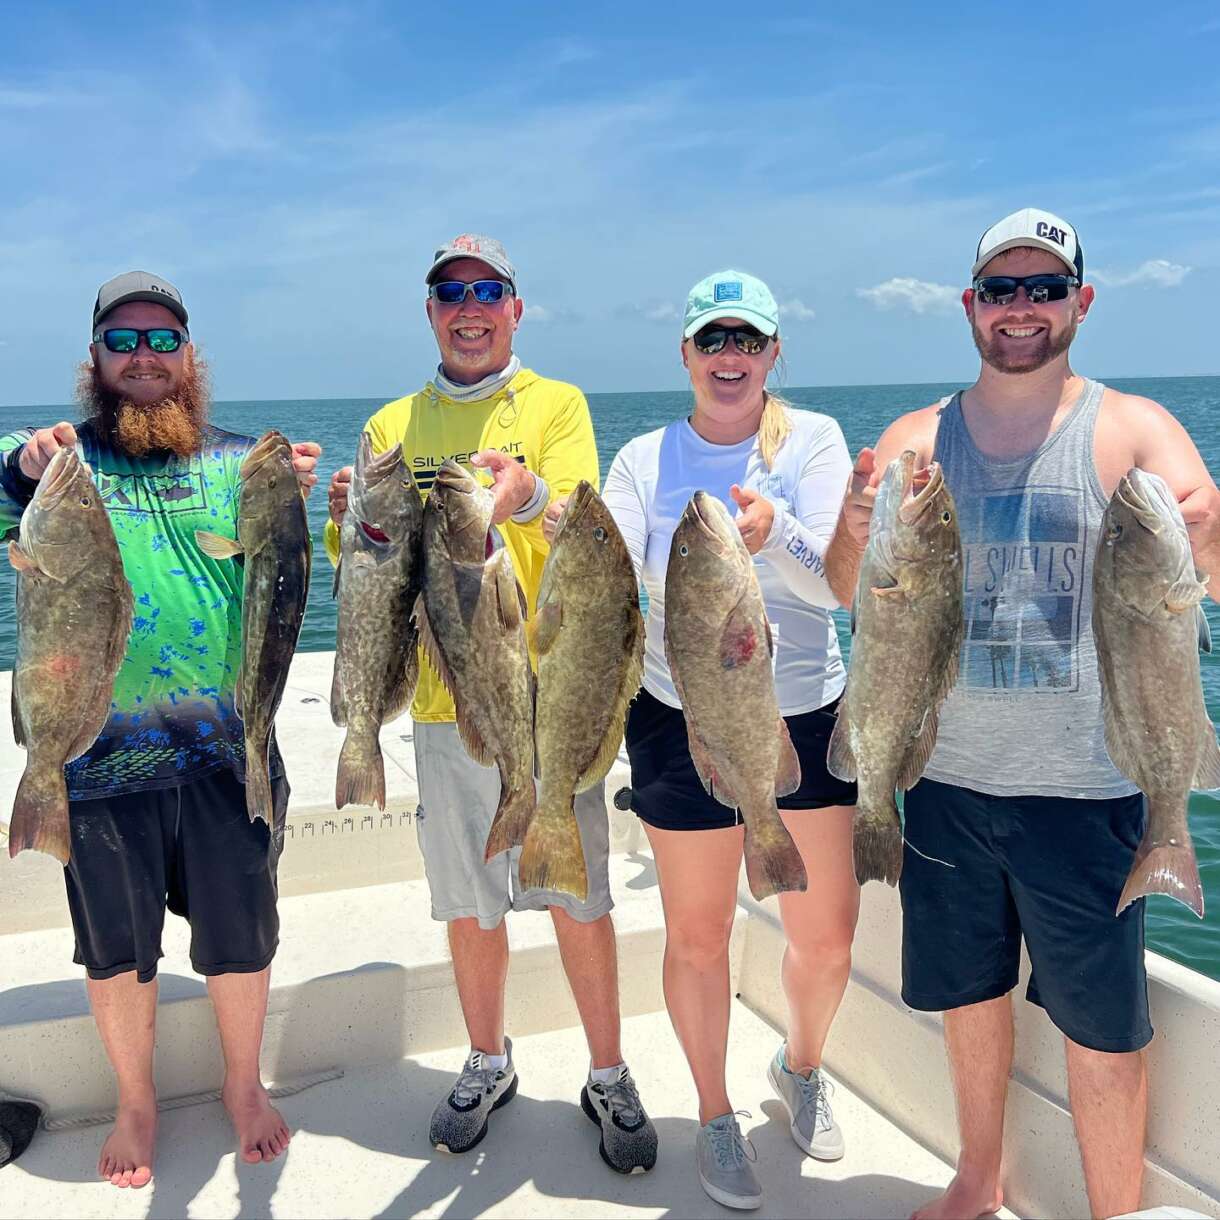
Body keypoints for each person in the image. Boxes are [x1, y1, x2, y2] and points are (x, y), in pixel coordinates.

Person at [824, 208, 1220, 1220]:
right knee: (967, 997)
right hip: (945, 779)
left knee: (1100, 1027)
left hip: (1087, 792)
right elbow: (842, 592)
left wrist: (1209, 534)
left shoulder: (1132, 428)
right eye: (1000, 289)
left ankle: (1110, 1211)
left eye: (1043, 288)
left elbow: (1203, 582)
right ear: (969, 305)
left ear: (1079, 301)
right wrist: (851, 525)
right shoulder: (914, 439)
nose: (1020, 309)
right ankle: (975, 1177)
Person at [324, 235, 658, 1173]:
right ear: (429, 312)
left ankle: (607, 1070)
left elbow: (576, 522)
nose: (468, 307)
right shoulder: (392, 425)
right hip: (442, 700)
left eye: (486, 291)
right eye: (449, 293)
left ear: (516, 308)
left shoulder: (558, 405)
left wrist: (528, 495)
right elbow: (365, 566)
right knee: (470, 903)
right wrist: (345, 512)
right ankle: (486, 1058)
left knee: (577, 896)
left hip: (545, 697)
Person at [0, 271, 322, 1189]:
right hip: (94, 763)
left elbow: (297, 571)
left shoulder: (235, 463)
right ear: (95, 360)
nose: (144, 358)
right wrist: (18, 464)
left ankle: (242, 1085)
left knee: (242, 936)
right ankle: (134, 1101)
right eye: (123, 342)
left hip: (230, 751)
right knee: (116, 950)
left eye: (162, 341)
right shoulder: (58, 471)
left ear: (191, 357)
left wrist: (293, 492)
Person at [555, 270, 857, 1210]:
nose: (730, 357)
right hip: (675, 716)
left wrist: (781, 540)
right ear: (685, 354)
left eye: (748, 340)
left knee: (829, 939)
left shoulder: (813, 442)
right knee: (698, 934)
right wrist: (531, 511)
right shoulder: (645, 459)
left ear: (774, 354)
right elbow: (599, 560)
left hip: (803, 710)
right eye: (712, 340)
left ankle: (800, 1065)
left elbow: (840, 587)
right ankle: (717, 1113)